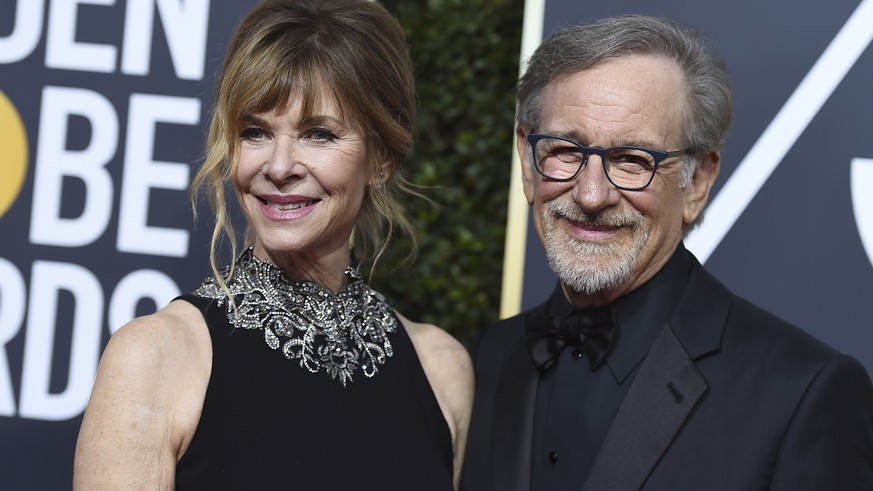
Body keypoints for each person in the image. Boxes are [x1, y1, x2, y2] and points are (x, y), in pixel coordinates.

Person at [461, 14, 873, 491]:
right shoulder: (488, 358)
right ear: (528, 163)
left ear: (697, 182)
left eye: (633, 160)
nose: (592, 195)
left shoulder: (802, 392)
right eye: (566, 151)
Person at [73, 0, 474, 489]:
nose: (279, 166)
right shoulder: (157, 358)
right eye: (256, 132)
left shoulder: (441, 371)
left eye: (319, 134)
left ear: (382, 158)